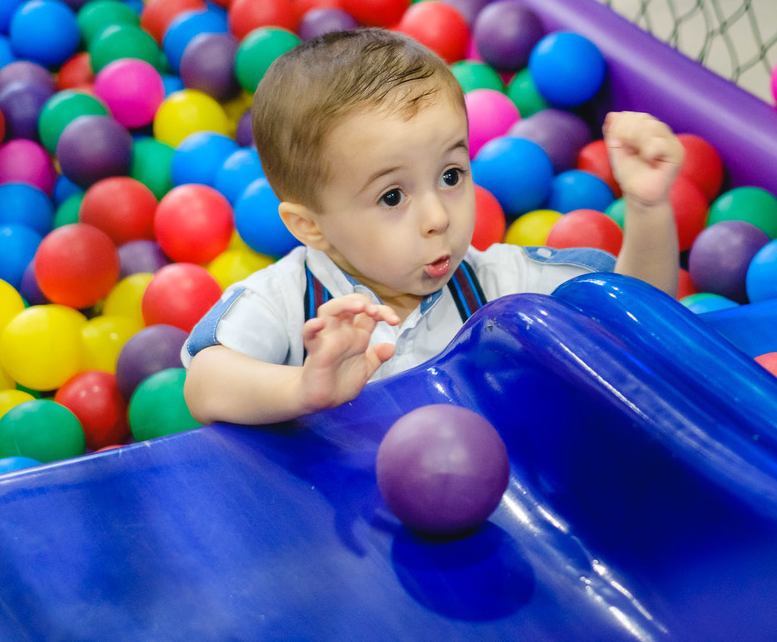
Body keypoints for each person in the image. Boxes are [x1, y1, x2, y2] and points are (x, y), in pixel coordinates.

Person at [182, 28, 682, 426]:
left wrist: (647, 208)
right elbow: (204, 385)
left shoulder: (497, 282)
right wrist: (304, 388)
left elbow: (634, 315)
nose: (439, 218)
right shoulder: (286, 300)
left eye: (450, 176)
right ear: (310, 227)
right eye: (392, 196)